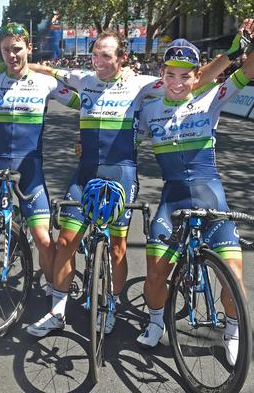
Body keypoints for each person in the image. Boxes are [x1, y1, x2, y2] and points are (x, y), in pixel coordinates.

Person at [27, 28, 235, 338]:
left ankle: (109, 305)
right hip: (84, 173)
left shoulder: (141, 85)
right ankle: (57, 313)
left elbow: (195, 78)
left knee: (116, 248)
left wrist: (230, 55)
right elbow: (48, 69)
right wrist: (17, 65)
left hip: (120, 174)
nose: (99, 60)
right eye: (95, 54)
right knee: (64, 243)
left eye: (106, 55)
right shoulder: (84, 80)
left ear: (123, 58)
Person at [136, 27, 253, 364]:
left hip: (210, 197)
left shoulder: (210, 98)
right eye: (170, 74)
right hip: (172, 201)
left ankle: (232, 329)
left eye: (185, 76)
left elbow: (247, 71)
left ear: (195, 76)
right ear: (162, 75)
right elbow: (122, 143)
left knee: (232, 274)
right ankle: (157, 320)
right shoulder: (148, 110)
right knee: (156, 274)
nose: (177, 82)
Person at [0, 22, 80, 330]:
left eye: (17, 48)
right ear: (0, 52)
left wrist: (51, 70)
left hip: (30, 169)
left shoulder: (45, 83)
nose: (12, 54)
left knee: (44, 240)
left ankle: (55, 302)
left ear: (28, 48)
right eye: (6, 50)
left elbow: (86, 102)